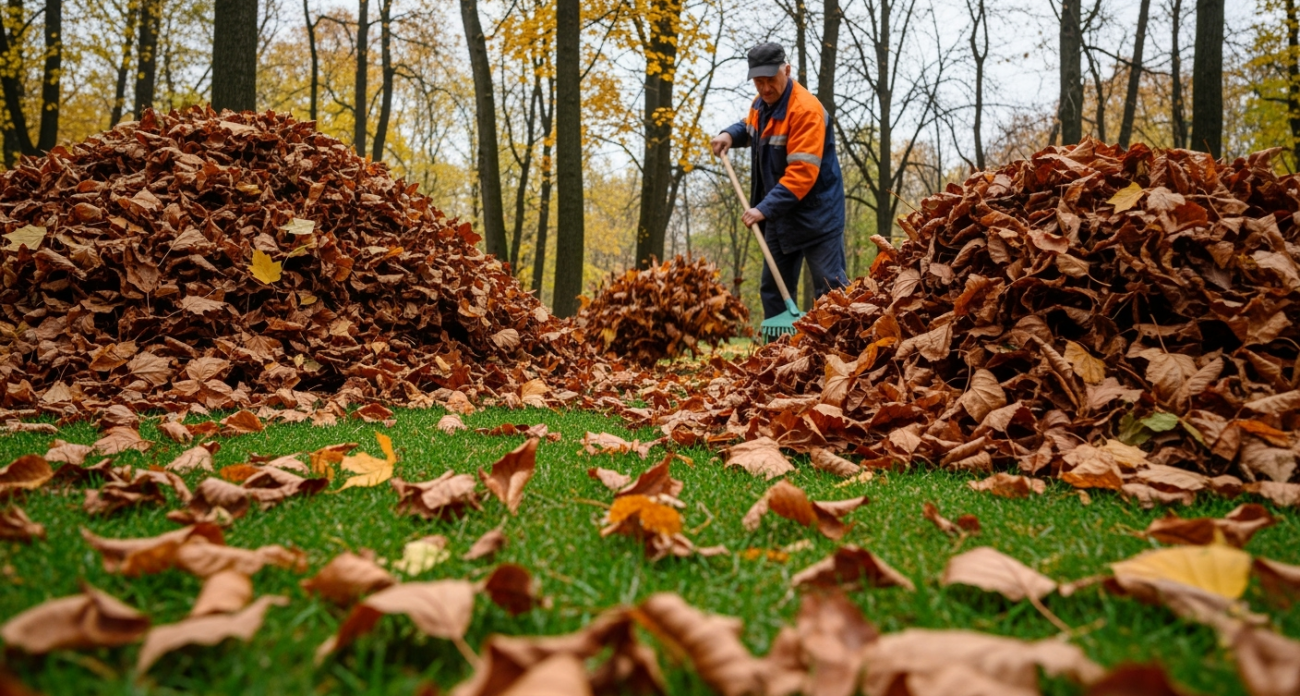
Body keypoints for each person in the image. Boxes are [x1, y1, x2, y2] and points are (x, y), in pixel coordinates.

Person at [711, 41, 848, 320]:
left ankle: (839, 352)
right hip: (780, 216)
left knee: (830, 290)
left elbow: (801, 174)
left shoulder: (805, 111)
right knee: (773, 290)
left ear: (787, 70)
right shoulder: (761, 105)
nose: (764, 89)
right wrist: (729, 135)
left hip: (817, 217)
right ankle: (779, 357)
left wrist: (763, 209)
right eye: (758, 82)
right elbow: (749, 127)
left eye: (770, 80)